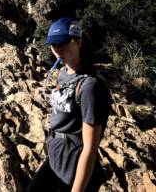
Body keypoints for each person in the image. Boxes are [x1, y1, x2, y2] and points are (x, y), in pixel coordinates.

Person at [27, 17, 112, 192]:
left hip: (74, 164)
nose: (57, 50)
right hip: (56, 157)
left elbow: (90, 147)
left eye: (63, 43)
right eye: (53, 45)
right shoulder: (63, 73)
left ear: (78, 42)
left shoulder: (90, 86)